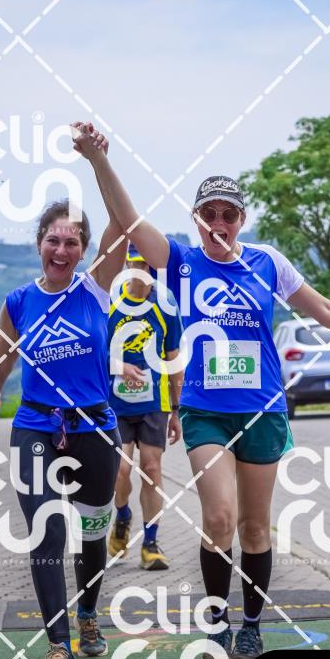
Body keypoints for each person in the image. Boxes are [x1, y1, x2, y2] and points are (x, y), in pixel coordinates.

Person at [71, 122, 330, 659]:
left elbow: (327, 311)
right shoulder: (180, 262)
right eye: (208, 214)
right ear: (196, 219)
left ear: (242, 219)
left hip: (262, 411)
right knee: (219, 519)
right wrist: (98, 159)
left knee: (255, 527)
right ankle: (216, 627)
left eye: (228, 215)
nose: (218, 224)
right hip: (206, 412)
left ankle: (252, 628)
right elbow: (130, 219)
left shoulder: (267, 262)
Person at [0, 185, 126, 659]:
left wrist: (98, 161)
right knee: (47, 532)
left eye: (72, 242)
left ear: (84, 250)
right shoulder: (18, 302)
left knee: (92, 534)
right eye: (53, 240)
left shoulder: (96, 288)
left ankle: (88, 615)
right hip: (36, 427)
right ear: (39, 243)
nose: (61, 251)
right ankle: (59, 645)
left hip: (95, 429)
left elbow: (123, 222)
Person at [107, 243, 184, 571]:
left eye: (146, 265)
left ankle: (151, 543)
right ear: (126, 264)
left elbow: (173, 356)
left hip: (155, 401)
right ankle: (122, 515)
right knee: (120, 470)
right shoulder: (110, 301)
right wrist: (120, 366)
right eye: (135, 264)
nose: (141, 272)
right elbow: (95, 352)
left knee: (151, 469)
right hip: (116, 402)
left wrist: (177, 410)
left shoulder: (165, 303)